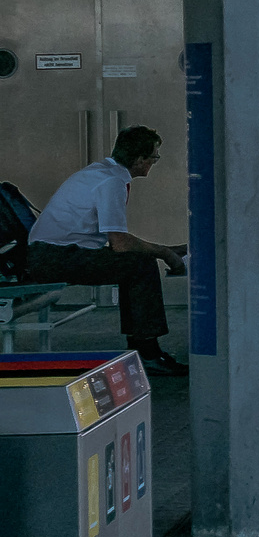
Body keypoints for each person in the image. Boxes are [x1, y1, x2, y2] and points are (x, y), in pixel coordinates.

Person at [27, 126, 188, 375]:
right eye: (154, 157)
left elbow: (117, 243)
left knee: (133, 264)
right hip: (54, 256)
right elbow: (120, 244)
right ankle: (148, 353)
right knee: (139, 266)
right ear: (140, 160)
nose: (154, 162)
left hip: (49, 252)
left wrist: (166, 249)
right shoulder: (112, 182)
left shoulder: (102, 172)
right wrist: (165, 254)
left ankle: (142, 348)